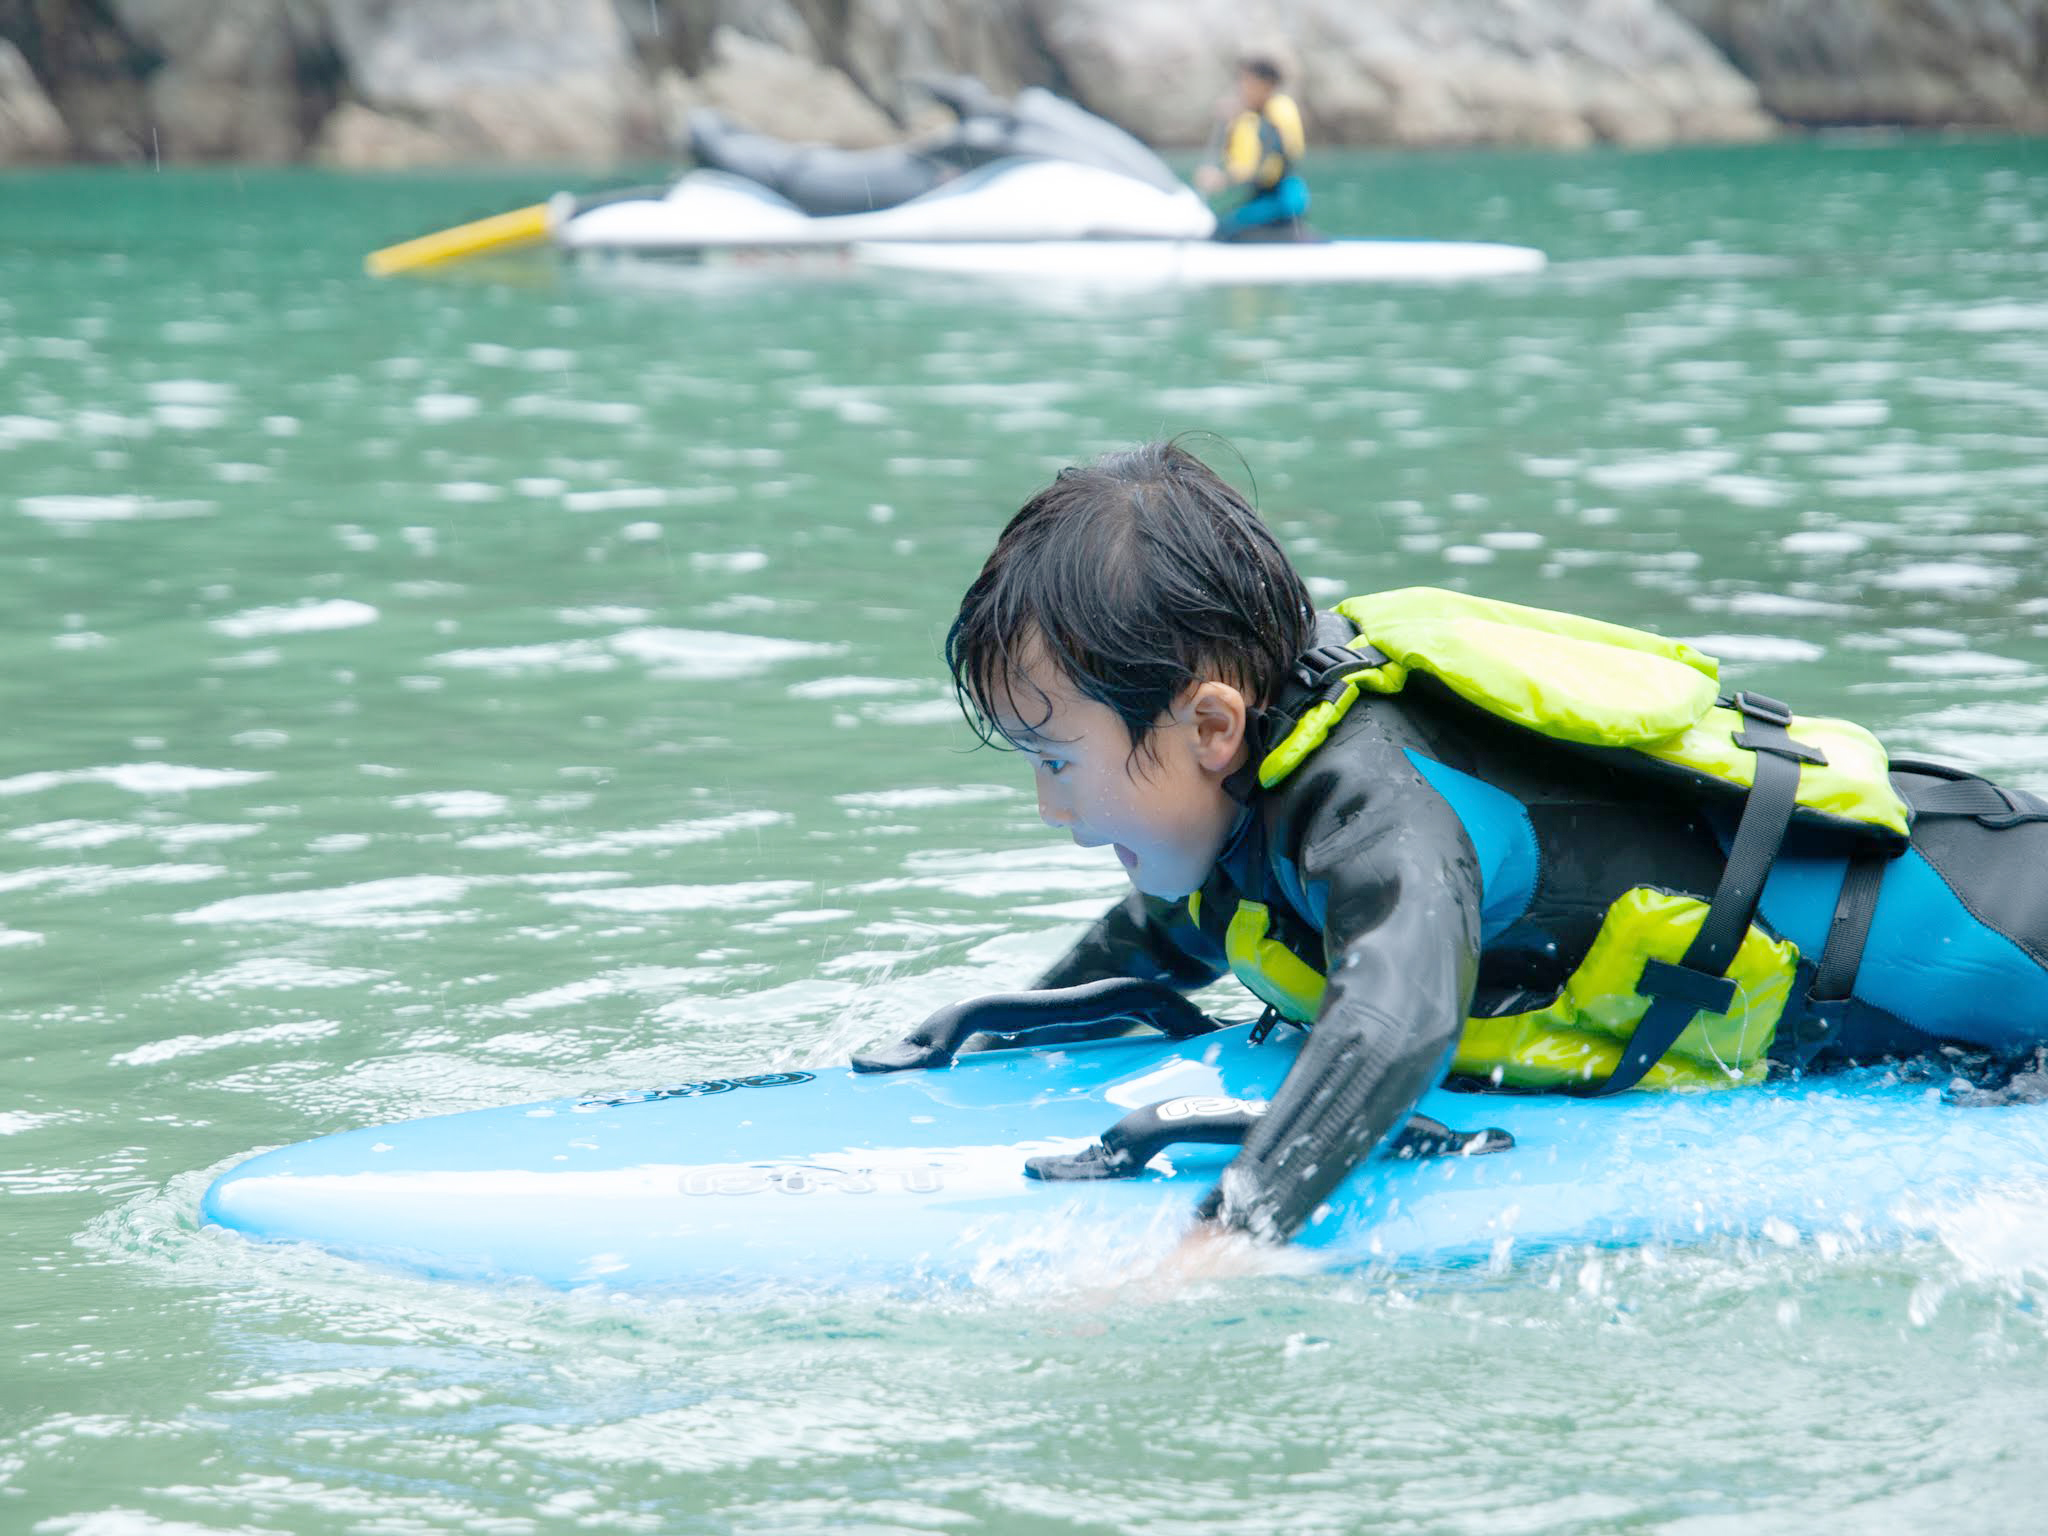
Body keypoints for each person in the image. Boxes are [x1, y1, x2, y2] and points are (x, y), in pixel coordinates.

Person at [942, 440, 2048, 1250]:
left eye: (1055, 761)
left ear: (1211, 726)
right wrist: (1002, 1032)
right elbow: (1171, 931)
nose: (1047, 808)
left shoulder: (1378, 807)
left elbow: (1399, 1017)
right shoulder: (1249, 796)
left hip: (2000, 924)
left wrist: (1233, 1230)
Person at [1193, 57, 1310, 242]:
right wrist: (1230, 123)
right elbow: (1233, 153)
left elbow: (1266, 169)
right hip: (1266, 197)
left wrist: (1223, 180)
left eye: (1247, 83)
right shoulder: (1258, 114)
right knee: (1219, 224)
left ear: (1265, 86)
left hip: (1282, 200)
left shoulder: (1278, 114)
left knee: (1222, 231)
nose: (1241, 89)